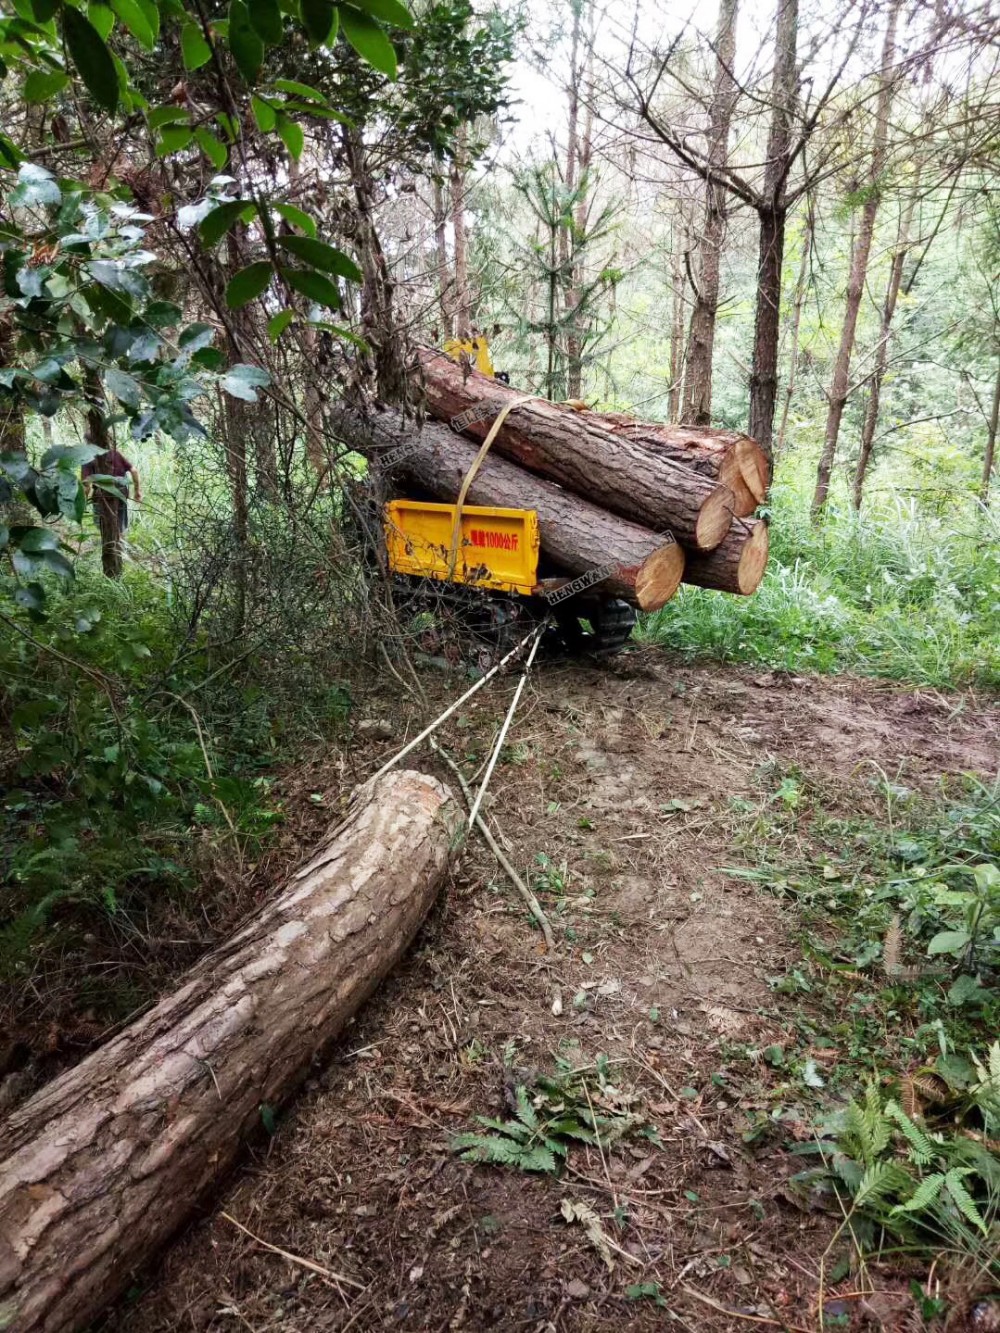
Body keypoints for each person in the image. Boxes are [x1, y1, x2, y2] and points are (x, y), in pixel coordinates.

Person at [82, 446, 141, 535]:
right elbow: (134, 471)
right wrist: (137, 491)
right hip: (120, 493)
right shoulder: (115, 453)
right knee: (120, 526)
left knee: (103, 526)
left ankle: (111, 545)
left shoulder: (87, 457)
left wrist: (83, 503)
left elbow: (86, 485)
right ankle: (119, 544)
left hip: (101, 496)